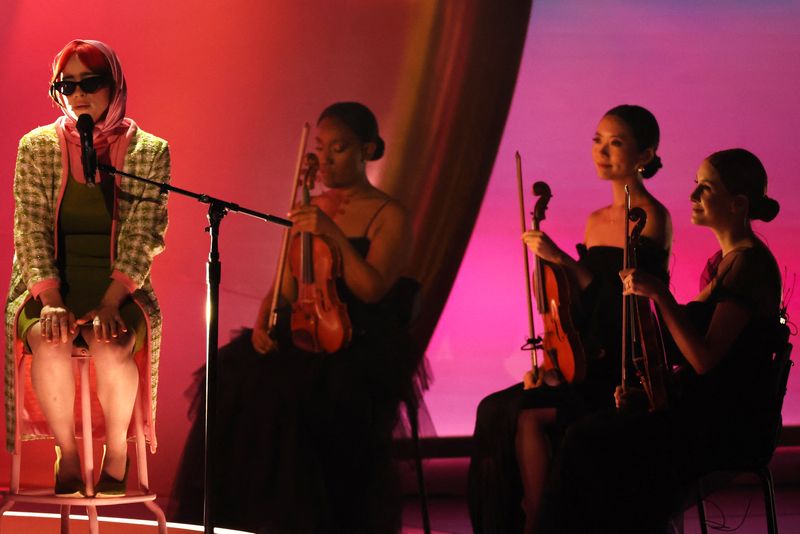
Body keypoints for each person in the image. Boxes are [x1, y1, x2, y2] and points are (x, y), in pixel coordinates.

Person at [170, 102, 420, 533]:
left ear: (366, 150)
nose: (325, 158)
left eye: (338, 148)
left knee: (289, 396)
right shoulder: (310, 206)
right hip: (307, 326)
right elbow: (288, 281)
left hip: (359, 339)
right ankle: (243, 519)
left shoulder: (388, 213)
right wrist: (266, 318)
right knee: (234, 378)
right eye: (321, 148)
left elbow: (373, 289)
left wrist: (332, 232)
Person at [537, 148, 785, 533]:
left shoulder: (749, 267)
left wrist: (661, 295)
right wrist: (648, 392)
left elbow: (705, 360)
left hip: (727, 425)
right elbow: (694, 360)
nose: (693, 196)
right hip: (704, 411)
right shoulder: (724, 263)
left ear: (737, 204)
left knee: (589, 443)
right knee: (589, 438)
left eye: (705, 188)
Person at [469, 105, 672, 533]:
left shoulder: (653, 217)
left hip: (618, 364)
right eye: (597, 140)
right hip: (584, 353)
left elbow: (622, 301)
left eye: (615, 142)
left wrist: (560, 258)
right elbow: (581, 304)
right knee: (492, 409)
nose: (601, 150)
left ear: (645, 154)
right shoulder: (596, 220)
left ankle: (541, 524)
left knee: (526, 415)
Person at [4, 39, 170, 497]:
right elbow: (30, 229)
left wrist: (112, 300)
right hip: (49, 289)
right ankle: (70, 456)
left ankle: (115, 451)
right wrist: (51, 302)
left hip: (121, 290)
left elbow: (144, 234)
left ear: (113, 86)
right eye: (66, 84)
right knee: (49, 341)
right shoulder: (37, 147)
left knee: (111, 344)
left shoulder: (149, 151)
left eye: (90, 83)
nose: (77, 94)